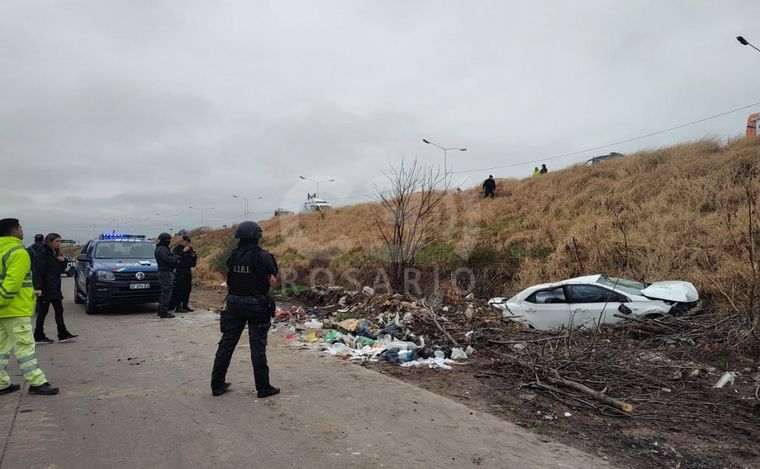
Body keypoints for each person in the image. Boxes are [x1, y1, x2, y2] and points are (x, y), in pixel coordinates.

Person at [211, 221, 280, 398]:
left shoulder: (233, 255)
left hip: (234, 303)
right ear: (257, 236)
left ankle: (217, 384)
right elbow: (273, 273)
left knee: (226, 344)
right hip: (256, 304)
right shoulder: (263, 255)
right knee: (257, 346)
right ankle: (263, 388)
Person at [0, 218, 59, 395]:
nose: (22, 230)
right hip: (15, 309)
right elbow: (13, 283)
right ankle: (37, 382)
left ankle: (2, 383)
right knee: (25, 348)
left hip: (3, 311)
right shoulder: (18, 252)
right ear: (13, 230)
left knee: (1, 349)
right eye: (20, 228)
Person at [33, 233, 77, 344]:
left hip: (54, 286)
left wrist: (63, 261)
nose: (59, 243)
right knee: (44, 312)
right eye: (57, 241)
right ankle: (40, 335)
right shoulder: (43, 253)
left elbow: (59, 270)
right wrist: (38, 288)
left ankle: (60, 334)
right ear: (50, 241)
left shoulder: (54, 253)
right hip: (46, 288)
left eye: (60, 241)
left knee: (57, 310)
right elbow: (38, 271)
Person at [154, 232, 182, 319]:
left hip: (166, 272)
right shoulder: (162, 249)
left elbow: (169, 257)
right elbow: (168, 259)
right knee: (166, 292)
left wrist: (175, 256)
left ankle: (161, 310)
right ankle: (164, 312)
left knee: (165, 292)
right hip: (165, 272)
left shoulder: (163, 248)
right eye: (168, 240)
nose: (169, 241)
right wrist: (176, 258)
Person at [168, 235, 197, 313]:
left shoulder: (190, 249)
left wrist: (194, 257)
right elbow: (175, 258)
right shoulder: (177, 249)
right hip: (180, 270)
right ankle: (178, 306)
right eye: (186, 242)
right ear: (182, 241)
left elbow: (193, 263)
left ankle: (185, 305)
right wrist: (183, 251)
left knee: (188, 288)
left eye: (188, 243)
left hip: (187, 270)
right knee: (180, 288)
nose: (187, 244)